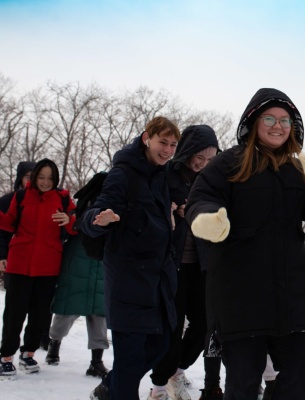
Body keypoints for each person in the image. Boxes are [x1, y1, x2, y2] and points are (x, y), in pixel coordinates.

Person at [185, 87, 305, 400]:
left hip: (292, 291)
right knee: (243, 381)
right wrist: (207, 218)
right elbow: (201, 198)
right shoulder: (228, 163)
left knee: (302, 371)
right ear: (253, 122)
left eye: (285, 120)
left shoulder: (297, 167)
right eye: (269, 118)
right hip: (240, 292)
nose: (277, 126)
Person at [81, 116, 181, 400]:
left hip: (158, 282)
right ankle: (116, 390)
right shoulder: (123, 175)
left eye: (173, 145)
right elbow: (93, 215)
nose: (168, 150)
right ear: (146, 138)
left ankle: (109, 388)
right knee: (130, 358)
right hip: (129, 281)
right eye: (163, 142)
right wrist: (99, 219)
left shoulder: (161, 174)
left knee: (161, 346)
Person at [147, 124, 222, 400]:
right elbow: (149, 209)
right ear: (188, 151)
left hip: (202, 266)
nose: (203, 164)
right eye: (199, 157)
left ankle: (176, 371)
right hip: (171, 265)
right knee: (172, 327)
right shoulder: (166, 174)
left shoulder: (213, 180)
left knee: (204, 324)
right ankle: (158, 387)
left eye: (210, 159)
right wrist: (171, 210)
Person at [0, 158, 76, 378]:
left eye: (50, 178)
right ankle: (6, 356)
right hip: (19, 262)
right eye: (41, 177)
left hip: (49, 265)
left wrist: (69, 220)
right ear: (33, 178)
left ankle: (28, 353)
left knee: (40, 314)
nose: (45, 182)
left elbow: (76, 227)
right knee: (14, 314)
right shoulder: (21, 196)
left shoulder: (62, 198)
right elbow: (9, 223)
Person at [44, 177, 112, 378]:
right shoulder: (80, 209)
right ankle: (54, 344)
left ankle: (96, 361)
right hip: (77, 265)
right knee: (67, 310)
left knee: (99, 315)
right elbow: (70, 229)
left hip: (102, 266)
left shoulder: (115, 209)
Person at [0, 161, 36, 285]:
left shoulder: (46, 202)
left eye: (35, 177)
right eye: (28, 177)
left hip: (38, 263)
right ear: (20, 179)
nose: (31, 181)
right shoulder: (7, 201)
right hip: (12, 259)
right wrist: (1, 256)